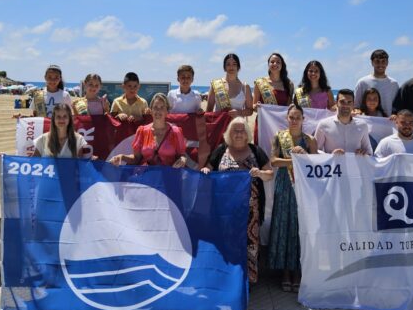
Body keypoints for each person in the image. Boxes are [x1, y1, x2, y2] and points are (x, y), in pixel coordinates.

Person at [202, 117, 273, 283]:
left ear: (247, 134)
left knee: (250, 245)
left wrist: (261, 173)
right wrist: (205, 170)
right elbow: (208, 168)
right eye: (235, 130)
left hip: (251, 212)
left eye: (242, 130)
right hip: (225, 211)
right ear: (229, 133)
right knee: (226, 243)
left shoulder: (256, 151)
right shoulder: (221, 150)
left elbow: (270, 174)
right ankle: (227, 281)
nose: (239, 134)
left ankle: (248, 281)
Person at [268, 104, 317, 293]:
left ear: (303, 119)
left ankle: (298, 271)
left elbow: (315, 164)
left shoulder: (310, 140)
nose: (294, 120)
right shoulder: (279, 137)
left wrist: (305, 156)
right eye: (291, 117)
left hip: (303, 189)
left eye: (298, 117)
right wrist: (294, 159)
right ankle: (285, 272)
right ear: (287, 118)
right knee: (284, 226)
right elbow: (273, 161)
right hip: (284, 186)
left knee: (299, 227)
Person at [110, 93, 187, 167]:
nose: (158, 111)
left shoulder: (176, 132)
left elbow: (182, 155)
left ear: (167, 111)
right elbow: (136, 159)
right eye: (155, 107)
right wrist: (122, 157)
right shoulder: (142, 131)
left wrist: (183, 159)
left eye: (162, 107)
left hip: (168, 178)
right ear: (151, 110)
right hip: (146, 177)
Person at [314, 89, 372, 155]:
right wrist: (331, 156)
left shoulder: (362, 125)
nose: (345, 105)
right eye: (342, 102)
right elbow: (315, 151)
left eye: (349, 102)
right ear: (336, 103)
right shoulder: (323, 124)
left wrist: (364, 153)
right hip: (333, 165)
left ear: (353, 104)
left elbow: (369, 152)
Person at [354, 49, 399, 116]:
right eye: (377, 61)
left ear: (387, 63)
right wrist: (357, 111)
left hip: (387, 123)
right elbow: (356, 106)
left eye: (383, 61)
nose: (380, 64)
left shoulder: (394, 84)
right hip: (366, 123)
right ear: (372, 63)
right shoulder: (362, 82)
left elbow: (396, 108)